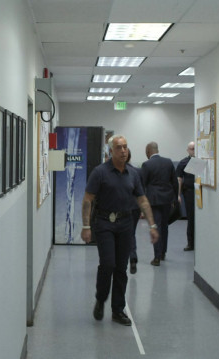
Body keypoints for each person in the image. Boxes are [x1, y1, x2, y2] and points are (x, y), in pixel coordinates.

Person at [81, 135, 159, 326]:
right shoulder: (100, 172)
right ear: (111, 151)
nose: (123, 151)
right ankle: (100, 299)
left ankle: (118, 310)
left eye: (125, 147)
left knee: (121, 268)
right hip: (104, 223)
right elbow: (87, 199)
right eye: (119, 148)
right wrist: (86, 226)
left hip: (125, 224)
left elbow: (142, 200)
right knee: (107, 264)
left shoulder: (133, 173)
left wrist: (152, 225)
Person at [141, 141, 178, 267]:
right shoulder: (168, 162)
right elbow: (175, 182)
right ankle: (163, 253)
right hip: (167, 199)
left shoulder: (146, 165)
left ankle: (156, 257)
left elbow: (142, 185)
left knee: (155, 226)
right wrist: (174, 198)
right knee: (165, 226)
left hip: (154, 201)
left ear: (148, 152)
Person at [176, 142, 196, 251]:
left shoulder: (201, 161)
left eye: (195, 149)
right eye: (192, 149)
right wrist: (178, 195)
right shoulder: (183, 163)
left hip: (200, 191)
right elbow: (179, 179)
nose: (193, 151)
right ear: (187, 150)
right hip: (189, 192)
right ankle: (191, 243)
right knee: (191, 218)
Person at [126, 150, 142, 274]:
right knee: (131, 233)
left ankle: (121, 259)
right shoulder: (137, 171)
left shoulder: (112, 171)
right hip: (135, 207)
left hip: (121, 208)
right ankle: (133, 256)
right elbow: (141, 192)